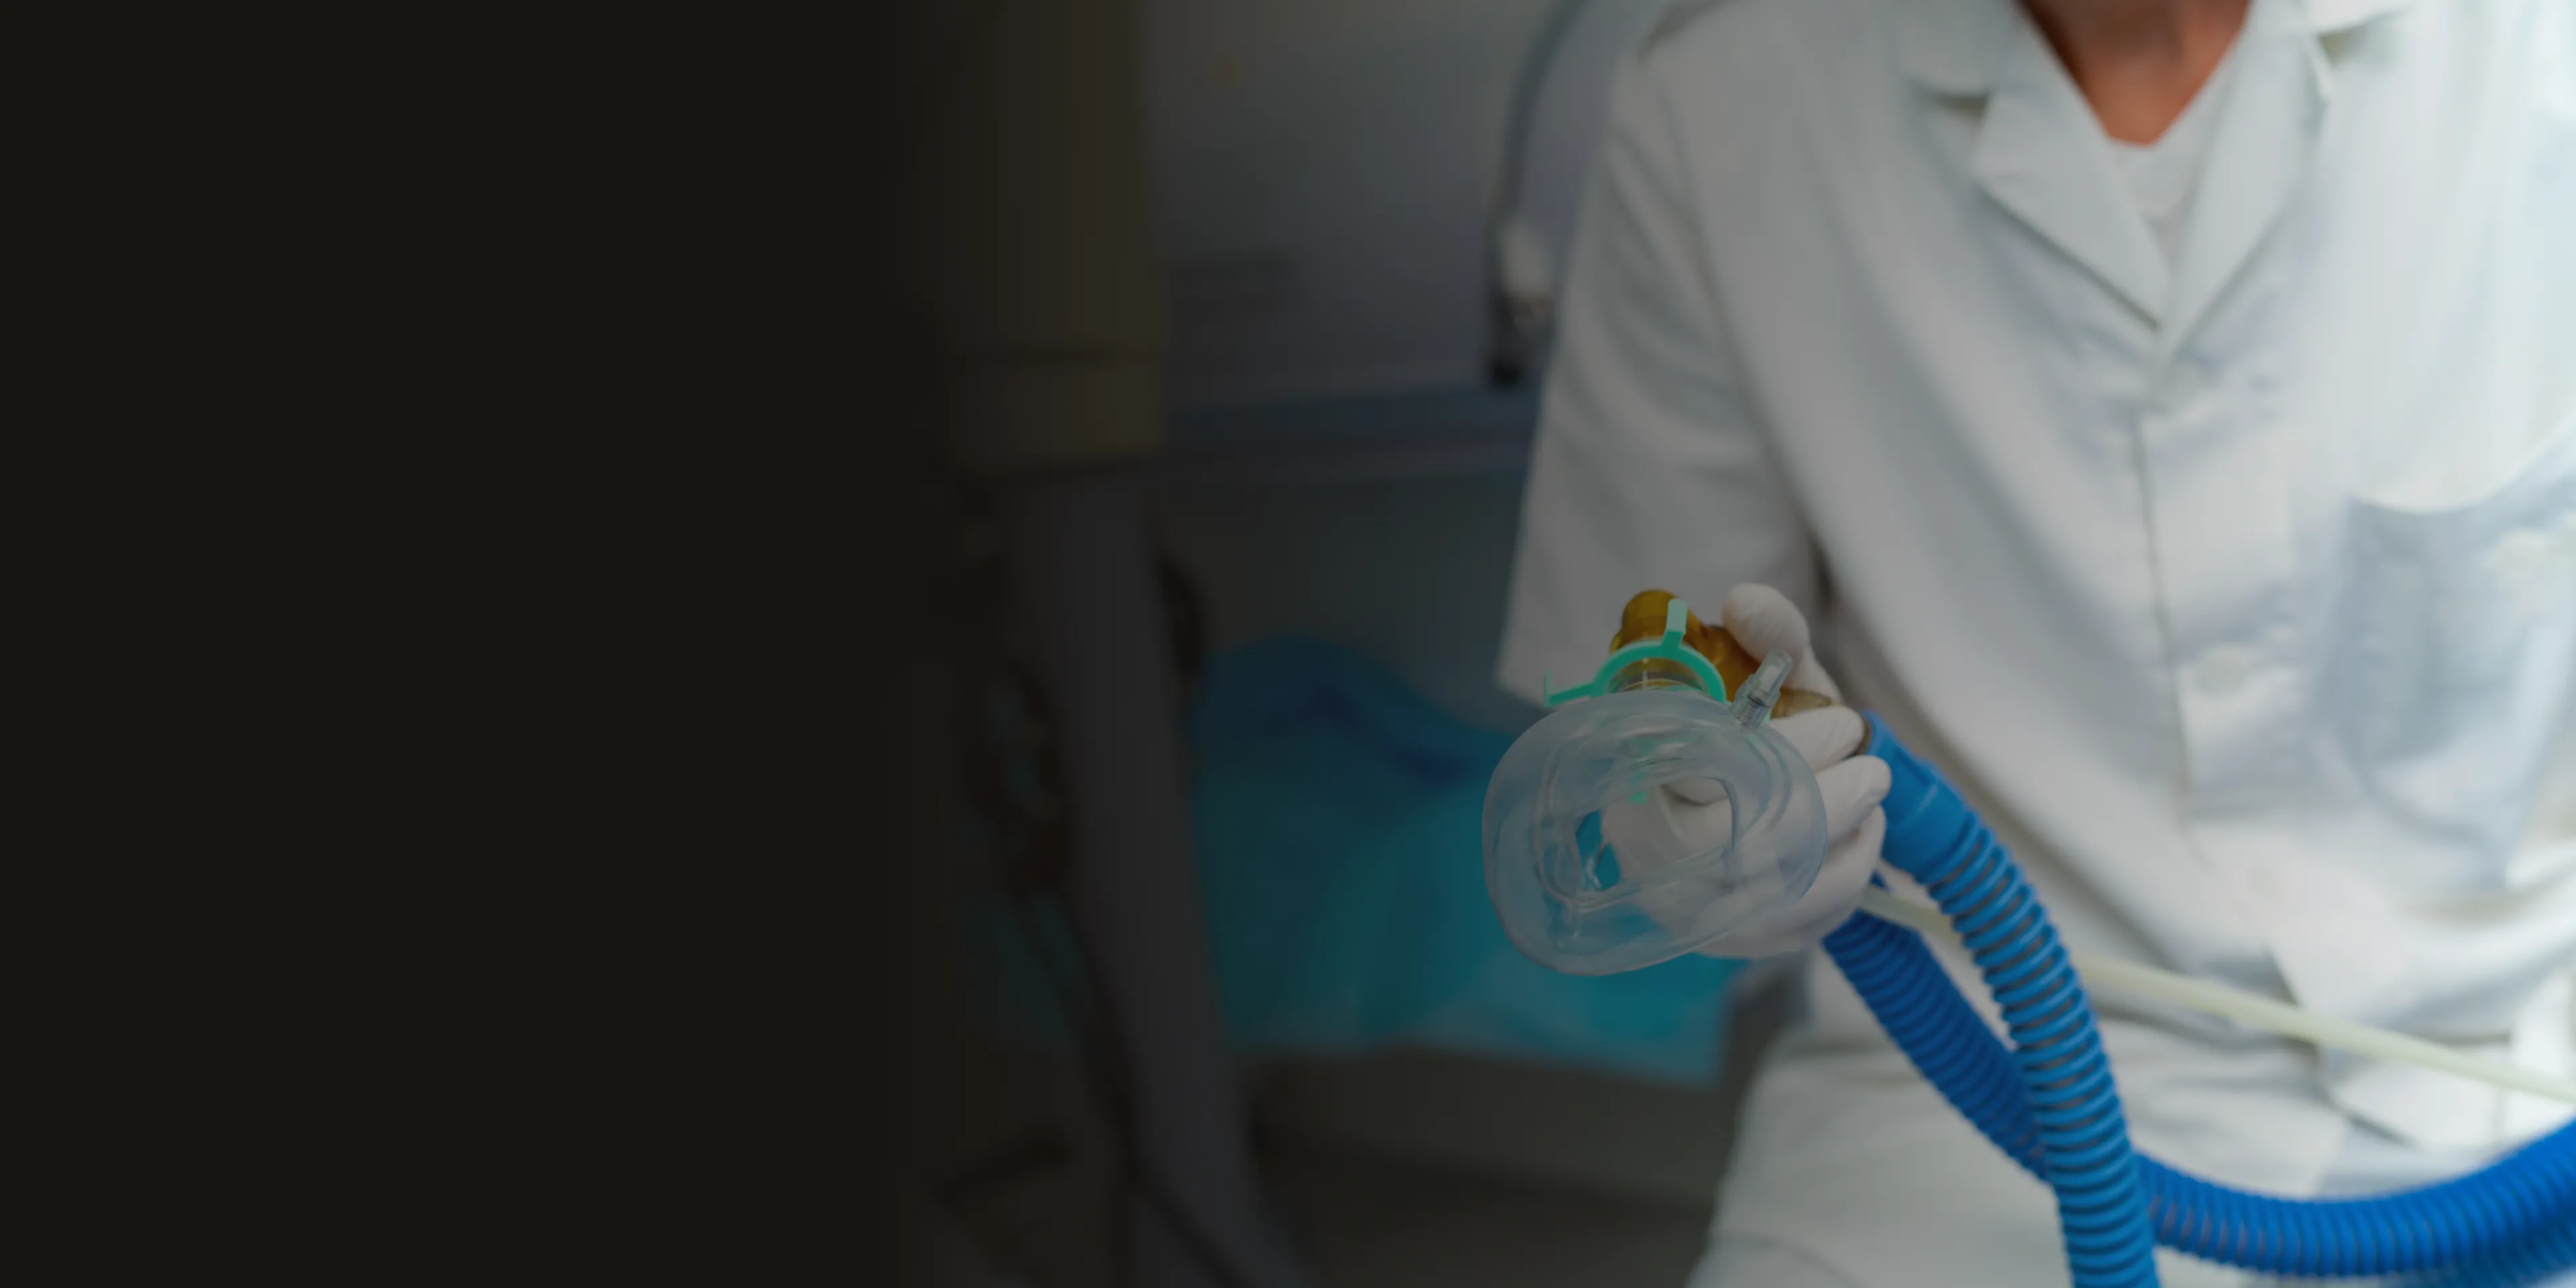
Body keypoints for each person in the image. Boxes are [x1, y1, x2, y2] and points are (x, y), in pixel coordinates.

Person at [1495, 0, 2576, 1282]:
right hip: (1963, 1108)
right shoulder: (1722, 98)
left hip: (2524, 1065)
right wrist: (1698, 826)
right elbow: (1637, 714)